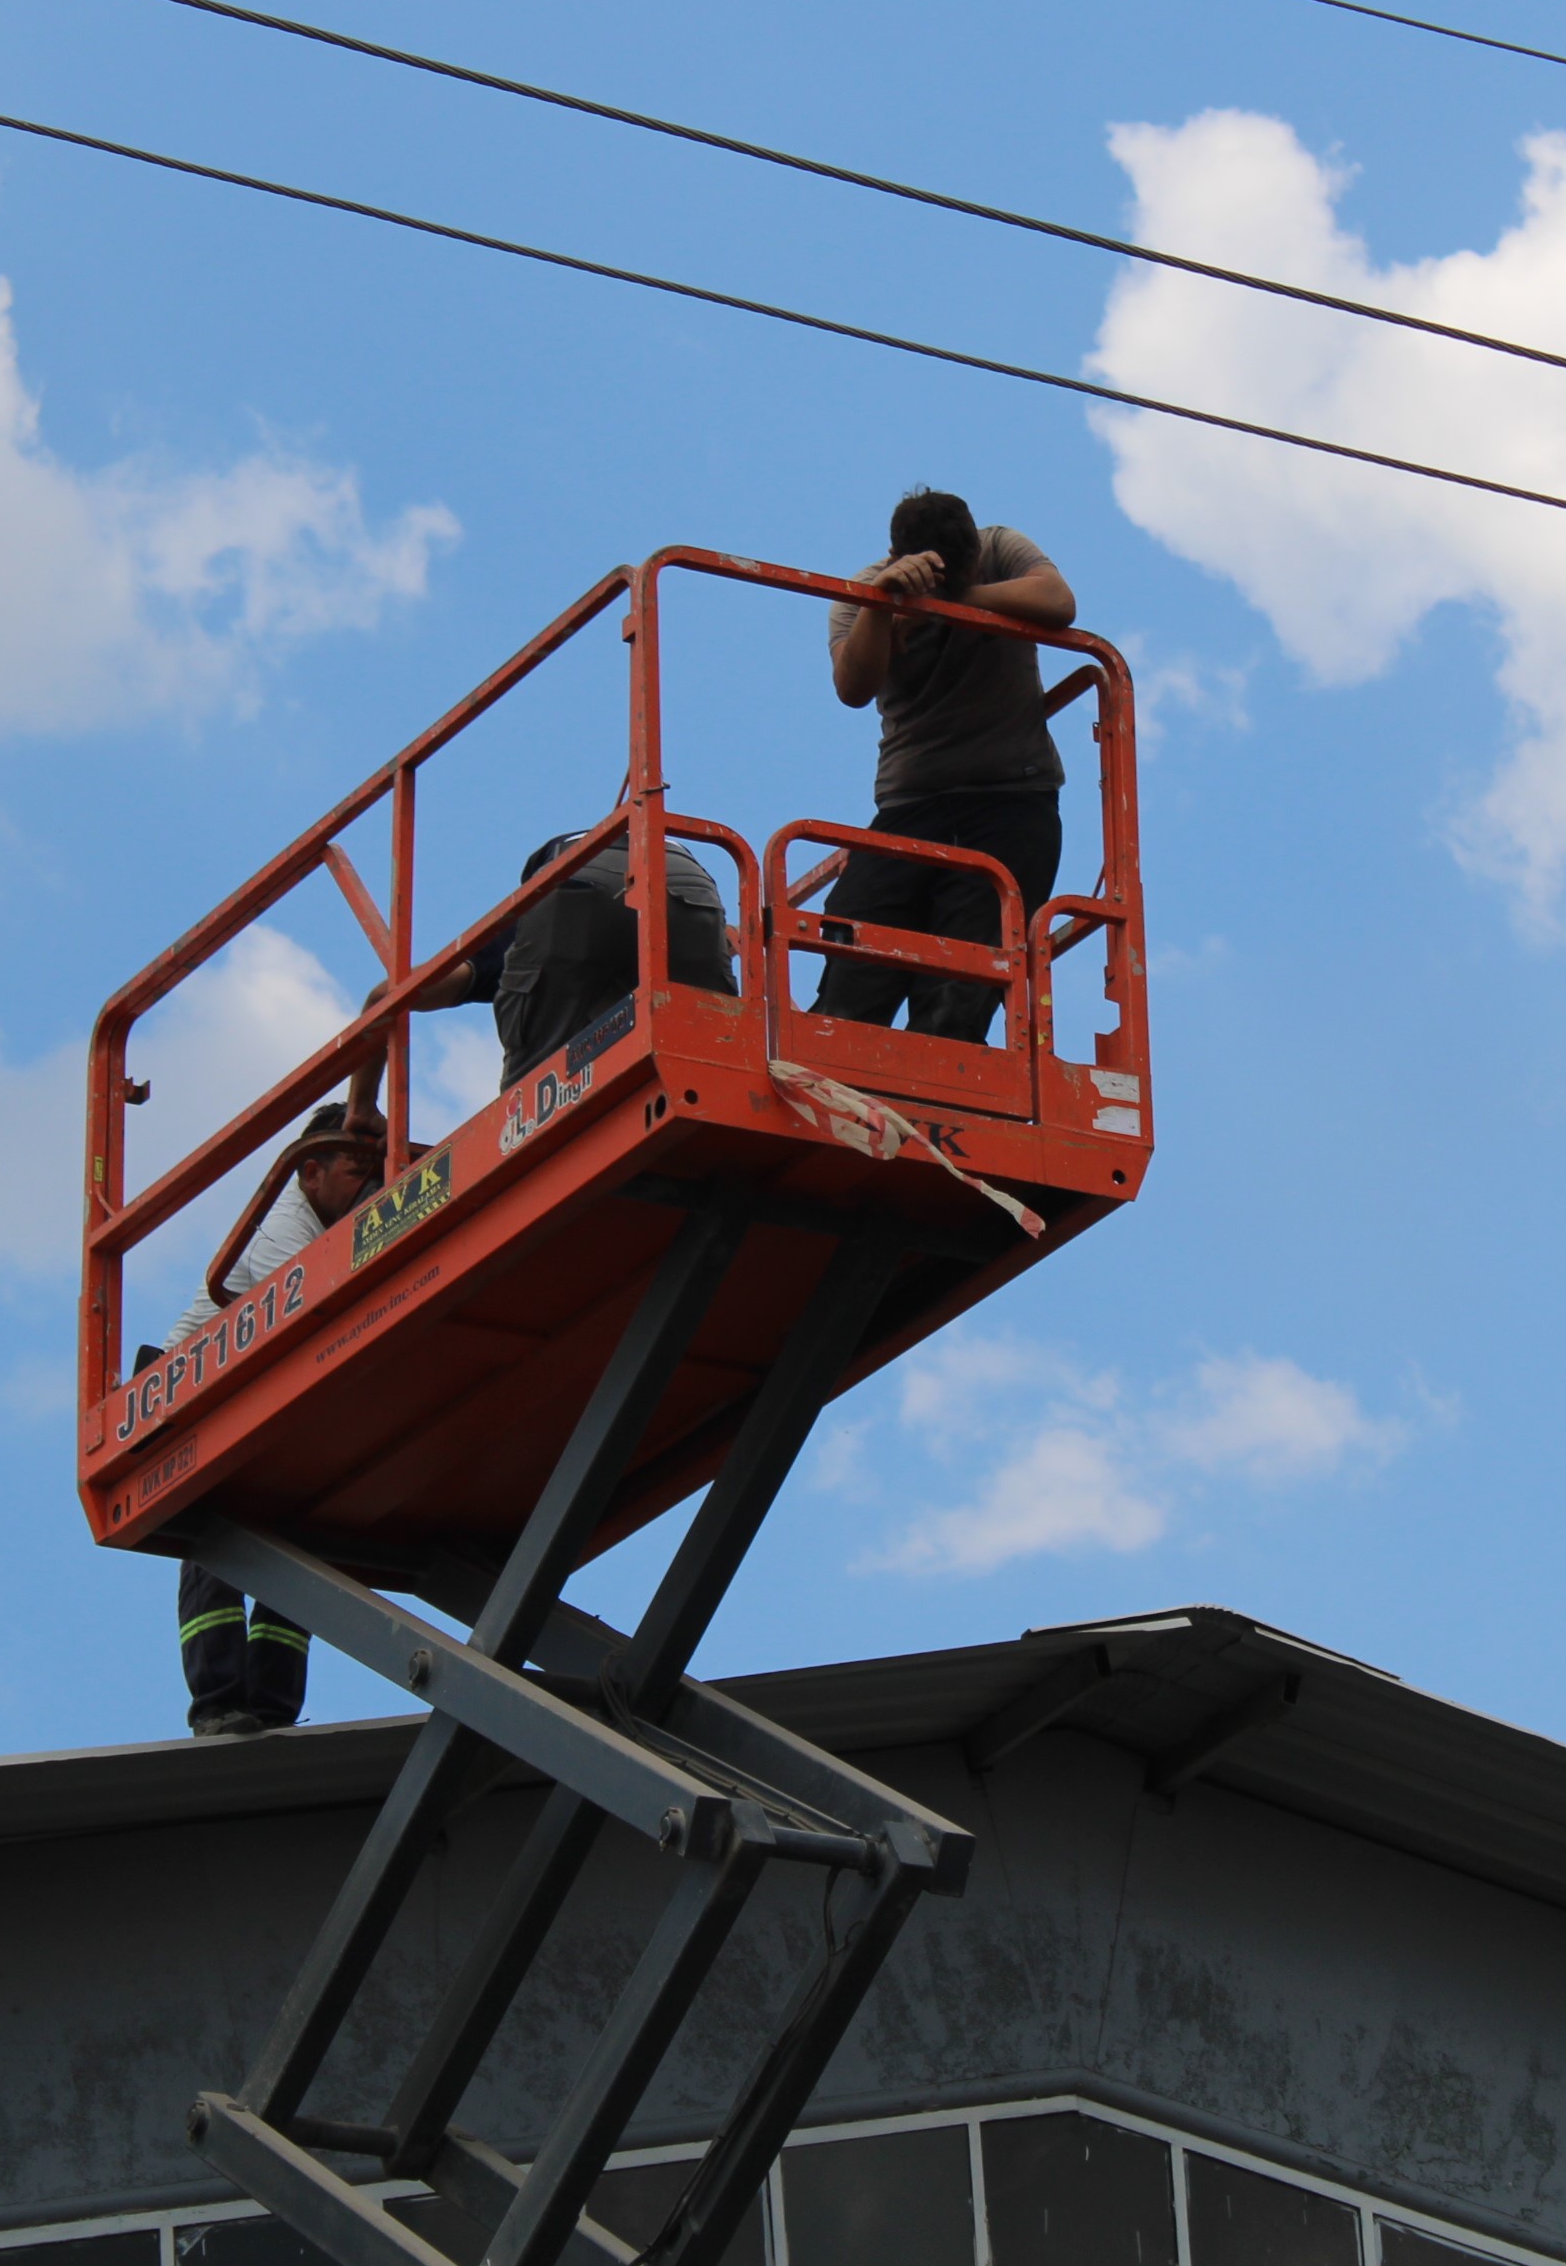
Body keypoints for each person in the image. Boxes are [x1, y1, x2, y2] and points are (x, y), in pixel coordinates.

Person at [810, 488, 1077, 1042]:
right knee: (854, 969)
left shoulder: (1000, 548)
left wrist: (962, 597)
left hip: (1012, 803)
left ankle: (942, 1098)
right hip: (912, 807)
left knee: (960, 990)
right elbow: (852, 687)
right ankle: (843, 1087)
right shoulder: (867, 592)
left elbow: (1058, 601)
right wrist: (887, 608)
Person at [162, 1100, 386, 1737]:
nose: (370, 1184)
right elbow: (322, 1314)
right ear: (310, 1173)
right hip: (198, 1407)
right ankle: (219, 1702)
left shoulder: (335, 1222)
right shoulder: (286, 1231)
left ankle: (271, 1709)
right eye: (355, 1170)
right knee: (220, 1548)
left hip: (267, 1413)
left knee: (300, 1556)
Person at [415, 826, 737, 1087]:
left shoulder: (524, 935)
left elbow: (390, 996)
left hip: (575, 874)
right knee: (711, 1047)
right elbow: (725, 945)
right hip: (687, 877)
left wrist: (363, 1104)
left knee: (531, 1089)